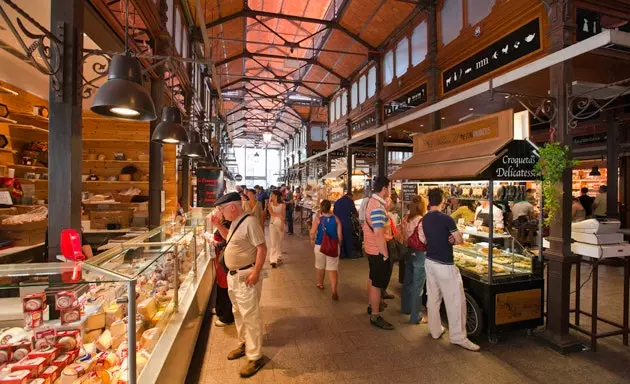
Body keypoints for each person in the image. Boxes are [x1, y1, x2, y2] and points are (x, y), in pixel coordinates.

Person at [211, 192, 267, 377]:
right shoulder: (236, 222)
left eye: (222, 209)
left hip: (246, 276)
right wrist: (218, 225)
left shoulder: (250, 222)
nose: (221, 212)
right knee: (238, 313)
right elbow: (230, 239)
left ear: (232, 207)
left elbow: (261, 248)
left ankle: (256, 356)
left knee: (250, 315)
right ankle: (245, 344)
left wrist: (256, 272)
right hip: (233, 276)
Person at [423, 188, 480, 351]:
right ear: (442, 200)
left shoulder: (425, 218)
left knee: (433, 297)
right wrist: (453, 240)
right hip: (445, 264)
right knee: (455, 300)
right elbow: (460, 239)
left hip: (430, 261)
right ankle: (458, 337)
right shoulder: (446, 219)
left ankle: (435, 330)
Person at [363, 176, 394, 330]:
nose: (390, 190)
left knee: (372, 277)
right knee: (376, 283)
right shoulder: (377, 207)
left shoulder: (372, 202)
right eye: (389, 187)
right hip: (377, 250)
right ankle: (375, 315)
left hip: (370, 247)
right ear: (384, 188)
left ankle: (371, 305)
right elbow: (378, 234)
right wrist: (385, 254)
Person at [401, 200, 427, 325]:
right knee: (418, 285)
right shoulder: (421, 220)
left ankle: (405, 308)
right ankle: (415, 316)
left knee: (407, 282)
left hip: (408, 251)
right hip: (420, 253)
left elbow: (401, 233)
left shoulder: (406, 218)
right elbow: (424, 239)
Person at [310, 200, 342, 300]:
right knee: (332, 269)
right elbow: (340, 236)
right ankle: (334, 290)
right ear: (330, 208)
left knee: (320, 266)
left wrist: (312, 239)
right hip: (333, 246)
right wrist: (338, 245)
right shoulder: (336, 219)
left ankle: (320, 283)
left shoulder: (318, 219)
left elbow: (312, 232)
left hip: (320, 246)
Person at [207, 219, 234, 327]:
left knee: (225, 287)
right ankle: (219, 309)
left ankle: (227, 317)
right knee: (220, 284)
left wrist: (213, 242)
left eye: (220, 208)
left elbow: (227, 242)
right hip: (220, 260)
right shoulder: (223, 222)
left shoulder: (228, 223)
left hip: (225, 260)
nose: (217, 211)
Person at [334, 191, 360, 259]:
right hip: (346, 222)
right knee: (348, 237)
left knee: (340, 237)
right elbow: (354, 212)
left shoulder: (337, 201)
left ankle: (341, 254)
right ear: (350, 196)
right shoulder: (349, 201)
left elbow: (334, 212)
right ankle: (349, 253)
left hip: (337, 222)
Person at [267, 190, 285, 268]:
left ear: (276, 196)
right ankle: (273, 260)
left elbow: (283, 216)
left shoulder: (283, 205)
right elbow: (271, 213)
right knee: (273, 242)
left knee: (279, 241)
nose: (271, 195)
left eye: (272, 194)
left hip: (280, 224)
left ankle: (279, 256)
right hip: (272, 224)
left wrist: (282, 224)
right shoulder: (269, 204)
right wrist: (279, 215)